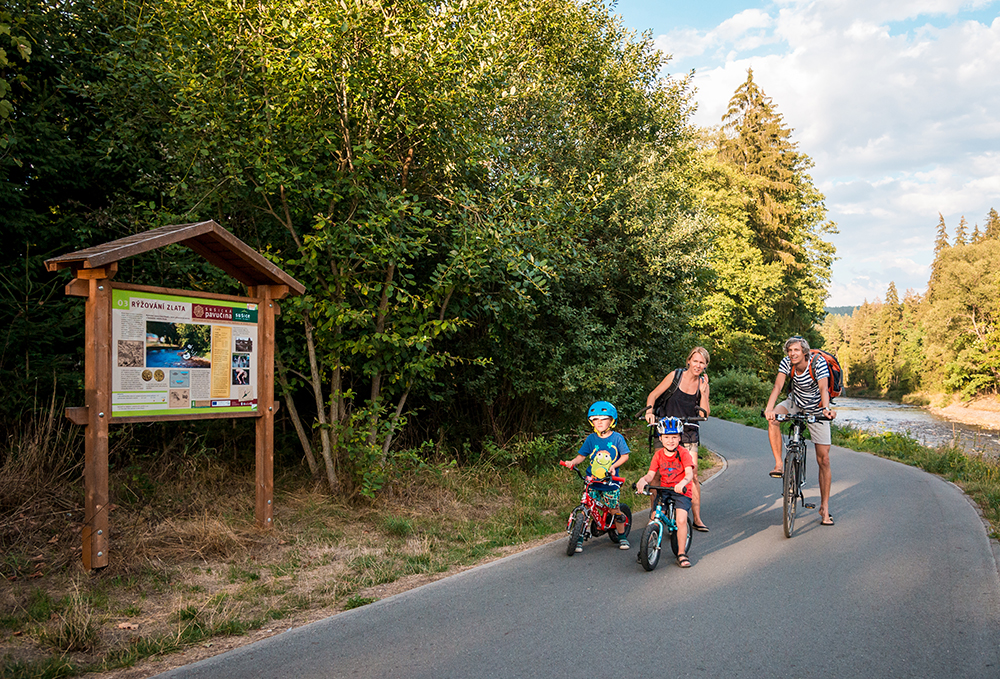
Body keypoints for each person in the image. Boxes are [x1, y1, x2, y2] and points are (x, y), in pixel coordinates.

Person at [763, 336, 837, 526]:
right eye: (790, 351)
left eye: (796, 350)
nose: (792, 354)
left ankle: (825, 508)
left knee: (824, 459)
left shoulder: (817, 363)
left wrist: (826, 409)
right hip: (794, 403)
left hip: (816, 408)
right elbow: (778, 385)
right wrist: (769, 409)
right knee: (774, 421)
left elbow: (823, 387)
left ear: (804, 351)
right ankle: (780, 464)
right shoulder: (787, 363)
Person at [643, 347, 711, 532]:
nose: (697, 365)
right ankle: (655, 514)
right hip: (666, 430)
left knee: (693, 474)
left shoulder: (703, 383)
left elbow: (705, 414)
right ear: (689, 360)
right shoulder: (675, 376)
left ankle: (696, 518)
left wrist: (704, 392)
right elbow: (653, 395)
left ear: (705, 366)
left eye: (702, 363)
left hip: (688, 430)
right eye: (695, 361)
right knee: (657, 472)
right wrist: (650, 411)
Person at [562, 401, 631, 551]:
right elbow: (582, 456)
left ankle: (622, 536)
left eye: (603, 419)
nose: (599, 422)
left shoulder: (617, 438)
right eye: (595, 419)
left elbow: (625, 456)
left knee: (614, 509)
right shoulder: (591, 439)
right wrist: (572, 462)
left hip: (610, 482)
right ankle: (579, 537)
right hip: (592, 481)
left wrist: (613, 466)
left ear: (611, 420)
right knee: (587, 507)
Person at [635, 417, 694, 568]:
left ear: (680, 437)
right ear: (660, 438)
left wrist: (682, 483)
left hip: (681, 490)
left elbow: (689, 474)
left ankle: (681, 553)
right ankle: (646, 545)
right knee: (654, 516)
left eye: (674, 437)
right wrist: (643, 480)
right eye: (667, 437)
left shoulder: (684, 453)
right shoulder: (658, 455)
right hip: (665, 489)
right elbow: (651, 474)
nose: (671, 440)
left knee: (681, 520)